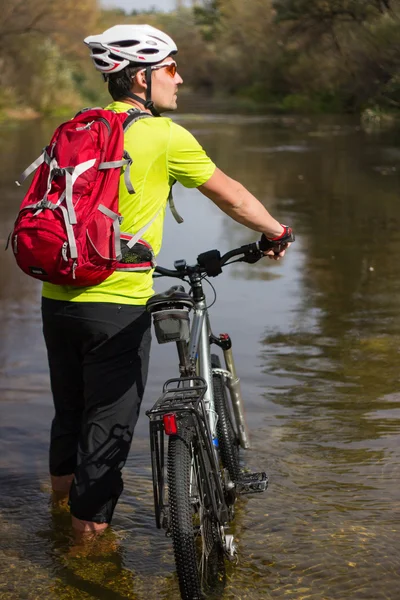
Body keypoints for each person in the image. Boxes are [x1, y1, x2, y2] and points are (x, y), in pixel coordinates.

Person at [42, 24, 293, 533]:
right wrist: (276, 231)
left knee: (69, 417)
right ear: (141, 77)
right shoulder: (163, 135)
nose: (180, 79)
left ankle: (56, 522)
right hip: (117, 306)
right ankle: (87, 551)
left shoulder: (74, 128)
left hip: (56, 297)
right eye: (171, 69)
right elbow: (232, 196)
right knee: (106, 435)